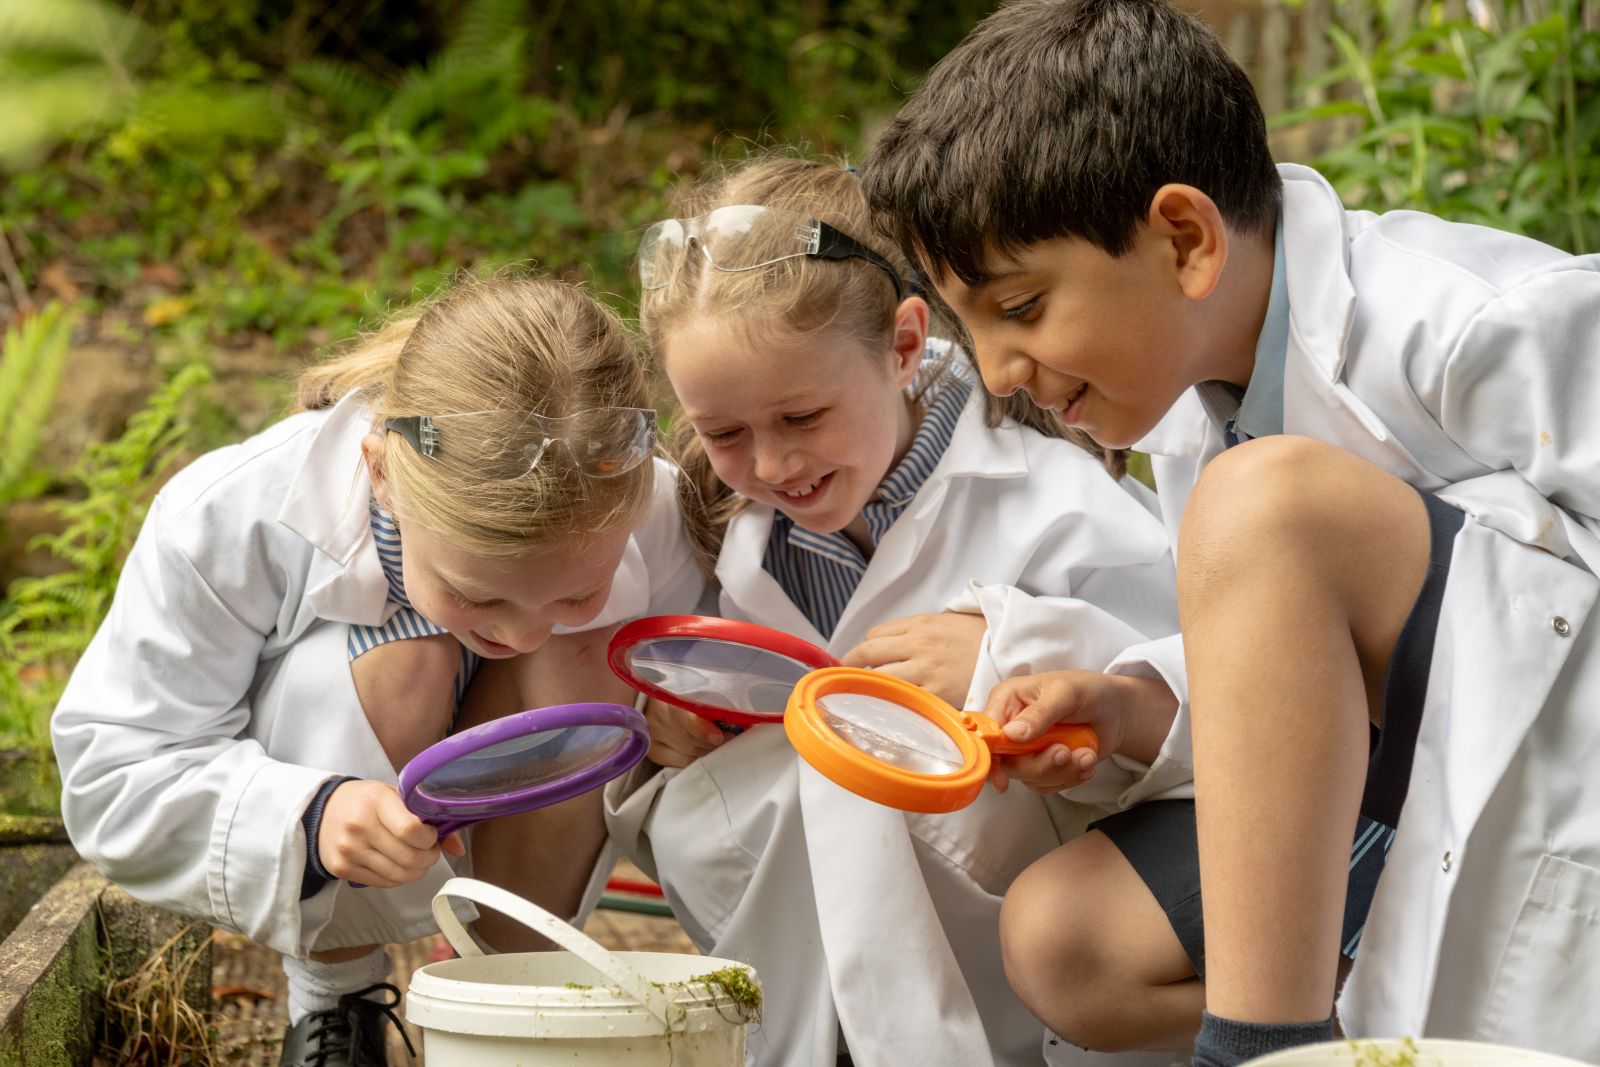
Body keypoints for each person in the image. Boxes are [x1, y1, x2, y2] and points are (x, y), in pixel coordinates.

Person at [860, 1, 1600, 1064]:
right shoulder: (1195, 403)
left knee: (1265, 504)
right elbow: (1296, 658)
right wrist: (1134, 699)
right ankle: (1350, 1017)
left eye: (1019, 307)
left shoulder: (1484, 320)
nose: (996, 373)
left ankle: (1260, 1046)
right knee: (1065, 940)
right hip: (1394, 802)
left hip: (1536, 789)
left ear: (1185, 238)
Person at [605, 155, 1183, 1067]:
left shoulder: (1058, 504)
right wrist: (674, 715)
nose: (772, 463)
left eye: (803, 416)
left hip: (1019, 956)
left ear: (906, 345)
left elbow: (1179, 712)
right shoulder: (728, 528)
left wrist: (1012, 653)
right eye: (723, 433)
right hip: (821, 954)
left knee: (857, 784)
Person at [51, 274, 702, 1067]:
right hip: (355, 758)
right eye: (474, 591)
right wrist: (308, 814)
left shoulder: (659, 507)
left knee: (587, 657)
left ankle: (504, 994)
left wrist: (687, 715)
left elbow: (729, 688)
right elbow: (112, 773)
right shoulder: (228, 514)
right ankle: (338, 997)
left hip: (529, 796)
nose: (521, 630)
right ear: (382, 471)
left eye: (576, 589)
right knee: (405, 654)